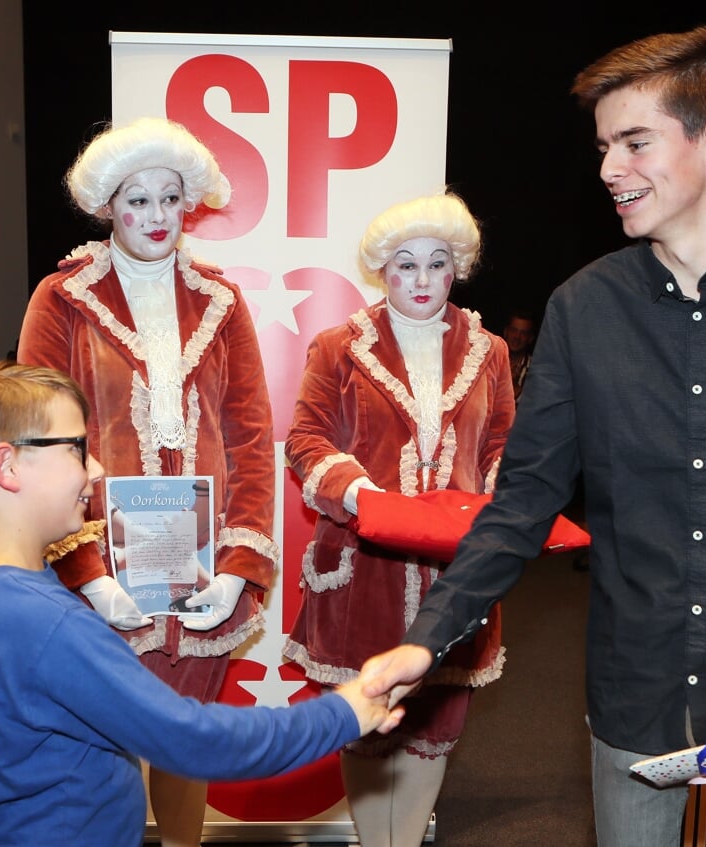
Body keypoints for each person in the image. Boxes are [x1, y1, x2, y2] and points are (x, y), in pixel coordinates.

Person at [361, 25, 706, 847]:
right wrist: (424, 640)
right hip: (636, 693)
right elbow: (520, 504)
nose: (606, 170)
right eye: (601, 146)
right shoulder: (582, 308)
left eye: (633, 142)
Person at [0, 362, 403, 847]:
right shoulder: (51, 626)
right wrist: (346, 712)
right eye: (77, 449)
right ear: (7, 467)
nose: (98, 469)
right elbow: (195, 742)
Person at [16, 116, 276, 845]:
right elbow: (41, 439)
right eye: (137, 200)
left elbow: (252, 437)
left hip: (198, 571)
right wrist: (87, 572)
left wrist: (238, 564)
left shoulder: (222, 302)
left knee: (184, 741)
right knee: (99, 748)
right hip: (99, 565)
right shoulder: (61, 299)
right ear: (106, 206)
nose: (156, 217)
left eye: (169, 198)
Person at [281, 192, 512, 846]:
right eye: (404, 264)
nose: (419, 279)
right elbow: (305, 440)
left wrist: (494, 503)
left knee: (435, 727)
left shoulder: (489, 351)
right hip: (364, 573)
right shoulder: (337, 347)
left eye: (436, 264)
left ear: (455, 269)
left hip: (456, 574)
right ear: (382, 269)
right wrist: (359, 495)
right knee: (367, 723)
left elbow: (502, 445)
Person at [502, 308, 537, 405]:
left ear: (530, 338)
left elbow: (533, 404)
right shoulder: (490, 359)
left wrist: (513, 385)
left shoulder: (535, 370)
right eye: (514, 330)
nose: (517, 337)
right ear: (506, 332)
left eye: (524, 333)